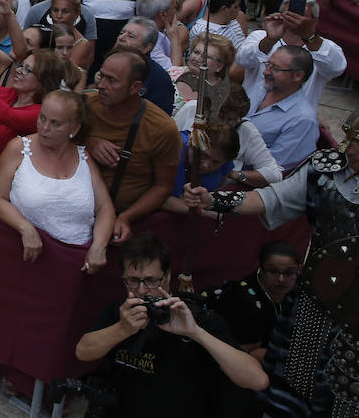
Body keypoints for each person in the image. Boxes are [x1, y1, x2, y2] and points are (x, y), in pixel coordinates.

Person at [185, 111, 359, 415]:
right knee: (293, 393)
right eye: (351, 139)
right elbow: (270, 199)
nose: (350, 149)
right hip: (314, 306)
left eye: (357, 143)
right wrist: (214, 200)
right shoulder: (327, 169)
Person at [73, 233, 267, 417]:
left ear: (166, 277)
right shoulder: (121, 312)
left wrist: (196, 333)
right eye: (132, 281)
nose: (142, 290)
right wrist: (122, 329)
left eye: (150, 280)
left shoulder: (196, 317)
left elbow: (257, 380)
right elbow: (83, 352)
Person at [0, 89, 114, 273]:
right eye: (42, 118)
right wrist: (25, 228)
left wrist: (99, 245)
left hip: (77, 262)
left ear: (74, 128)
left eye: (55, 124)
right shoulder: (17, 149)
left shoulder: (84, 157)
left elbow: (104, 207)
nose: (45, 127)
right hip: (27, 258)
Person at [84, 50, 180, 243]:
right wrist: (89, 141)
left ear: (135, 87)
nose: (101, 85)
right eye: (101, 76)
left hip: (127, 219)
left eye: (112, 80)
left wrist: (126, 217)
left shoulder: (161, 128)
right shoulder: (83, 105)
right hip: (76, 211)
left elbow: (162, 187)